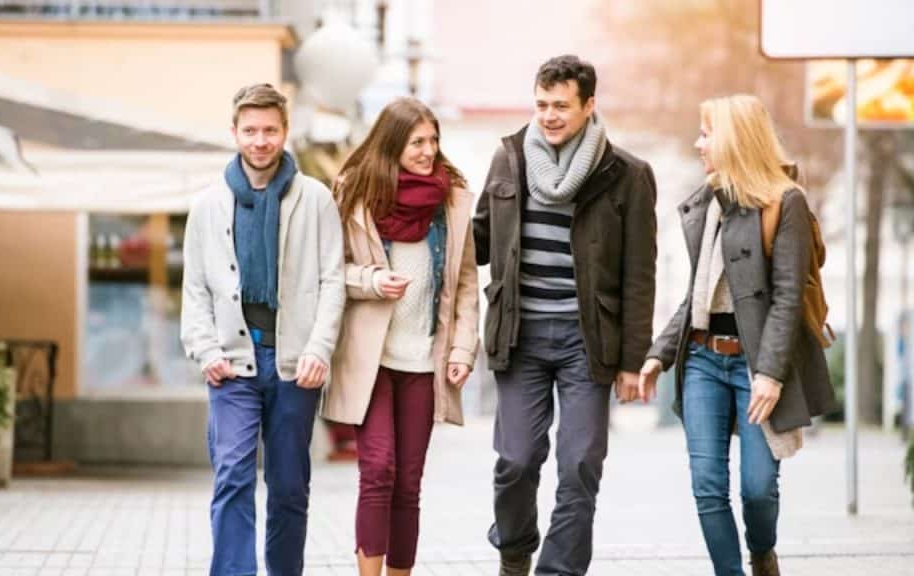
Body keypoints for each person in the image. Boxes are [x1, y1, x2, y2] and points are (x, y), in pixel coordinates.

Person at [472, 54, 657, 576]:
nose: (549, 115)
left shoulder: (627, 175)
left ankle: (559, 571)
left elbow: (640, 274)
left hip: (587, 341)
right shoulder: (508, 159)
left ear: (589, 105)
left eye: (561, 105)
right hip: (520, 336)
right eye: (541, 104)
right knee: (516, 461)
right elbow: (479, 242)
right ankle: (514, 550)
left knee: (579, 465)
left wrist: (631, 361)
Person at [638, 94, 836, 576]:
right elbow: (695, 296)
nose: (698, 143)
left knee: (757, 487)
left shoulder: (784, 202)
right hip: (704, 359)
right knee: (707, 484)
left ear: (734, 138)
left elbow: (788, 296)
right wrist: (659, 355)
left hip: (757, 363)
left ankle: (762, 552)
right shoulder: (708, 201)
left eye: (706, 134)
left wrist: (769, 373)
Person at [180, 83, 346, 576]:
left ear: (285, 132)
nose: (260, 141)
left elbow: (332, 279)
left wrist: (320, 348)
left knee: (289, 485)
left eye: (269, 130)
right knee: (232, 475)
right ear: (234, 133)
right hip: (231, 363)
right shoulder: (207, 206)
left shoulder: (315, 199)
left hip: (295, 364)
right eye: (249, 130)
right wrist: (204, 349)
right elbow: (195, 291)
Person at [322, 97, 480, 576]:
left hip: (423, 361)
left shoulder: (450, 200)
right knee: (378, 471)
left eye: (433, 140)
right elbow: (328, 273)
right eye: (417, 142)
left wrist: (461, 349)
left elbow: (468, 281)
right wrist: (371, 281)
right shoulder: (354, 195)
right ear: (393, 143)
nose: (428, 150)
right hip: (370, 362)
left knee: (409, 481)